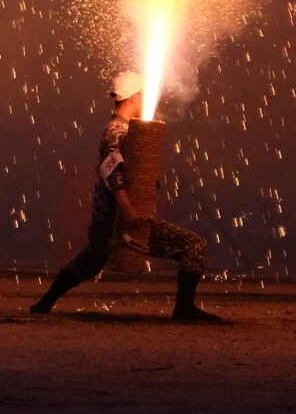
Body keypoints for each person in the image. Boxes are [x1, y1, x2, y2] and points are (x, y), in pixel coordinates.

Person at [30, 72, 221, 322]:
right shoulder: (119, 131)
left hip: (105, 219)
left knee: (93, 258)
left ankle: (45, 303)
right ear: (135, 97)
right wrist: (129, 210)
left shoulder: (118, 129)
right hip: (118, 219)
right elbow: (111, 171)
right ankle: (184, 308)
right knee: (194, 246)